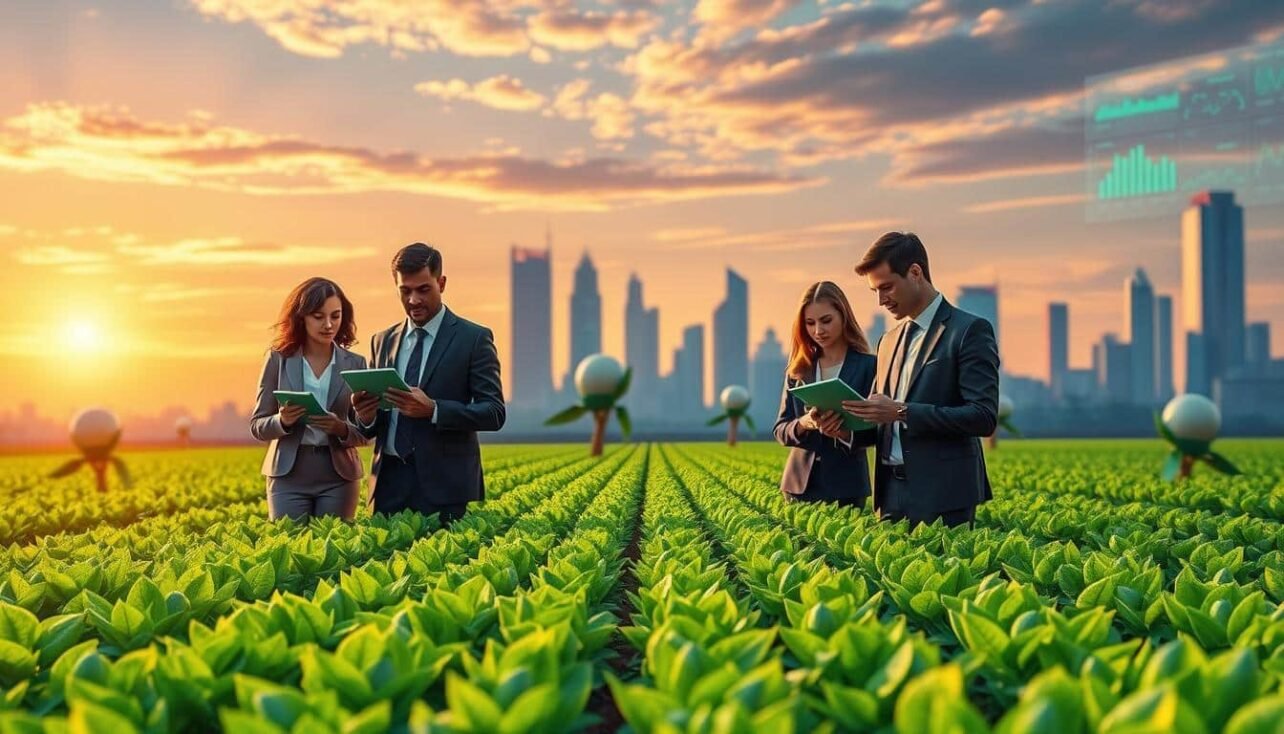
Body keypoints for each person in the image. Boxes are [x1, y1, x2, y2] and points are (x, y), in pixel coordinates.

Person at [841, 232, 999, 528]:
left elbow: (983, 416)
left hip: (944, 496)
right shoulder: (887, 341)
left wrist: (901, 411)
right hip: (889, 495)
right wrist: (843, 429)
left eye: (886, 287)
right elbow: (882, 421)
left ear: (915, 273)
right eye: (875, 291)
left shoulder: (968, 330)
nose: (880, 300)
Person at [352, 242, 505, 524]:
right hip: (387, 485)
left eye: (423, 290)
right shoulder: (382, 341)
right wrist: (366, 416)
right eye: (405, 291)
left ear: (442, 283)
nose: (413, 300)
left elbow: (494, 412)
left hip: (443, 488)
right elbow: (371, 426)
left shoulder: (473, 339)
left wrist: (434, 409)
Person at [250, 277, 367, 521]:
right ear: (301, 317)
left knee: (336, 549)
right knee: (290, 548)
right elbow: (258, 426)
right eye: (318, 316)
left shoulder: (356, 364)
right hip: (288, 474)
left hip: (339, 475)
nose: (328, 324)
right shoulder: (278, 359)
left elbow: (366, 431)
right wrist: (282, 421)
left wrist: (341, 428)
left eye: (335, 316)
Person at [774, 281, 878, 507]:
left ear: (843, 316)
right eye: (810, 323)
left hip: (846, 487)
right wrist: (804, 423)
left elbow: (880, 430)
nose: (818, 331)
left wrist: (844, 433)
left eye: (826, 321)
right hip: (798, 486)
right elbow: (781, 430)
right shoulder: (798, 369)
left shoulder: (870, 367)